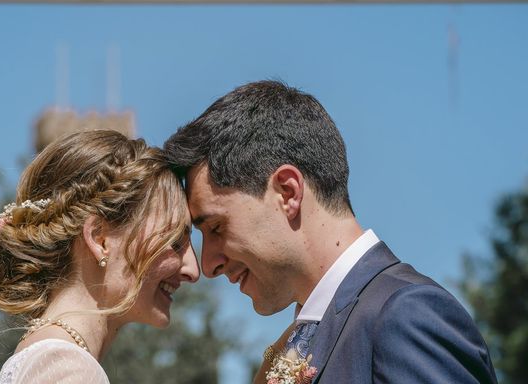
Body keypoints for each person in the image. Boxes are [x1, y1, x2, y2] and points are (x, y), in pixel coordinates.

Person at [164, 80, 497, 383]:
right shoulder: (305, 336)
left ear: (287, 192)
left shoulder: (405, 316)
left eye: (217, 227)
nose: (208, 265)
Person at [0, 129, 199, 383]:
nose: (193, 270)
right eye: (174, 241)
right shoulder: (70, 370)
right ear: (100, 238)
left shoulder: (48, 358)